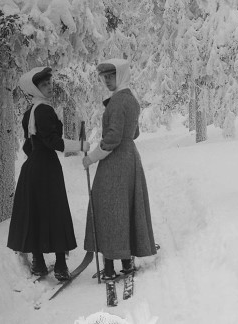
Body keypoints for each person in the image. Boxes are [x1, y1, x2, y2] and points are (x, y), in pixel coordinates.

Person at [7, 66, 89, 281]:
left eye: (49, 83)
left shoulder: (30, 111)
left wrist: (35, 157)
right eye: (44, 84)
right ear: (35, 89)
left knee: (37, 211)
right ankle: (60, 265)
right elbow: (54, 143)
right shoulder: (44, 110)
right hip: (47, 168)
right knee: (55, 211)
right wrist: (80, 145)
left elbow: (29, 143)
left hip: (33, 167)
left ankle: (38, 262)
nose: (49, 87)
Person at [82, 58, 157, 280]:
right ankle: (126, 263)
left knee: (109, 209)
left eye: (111, 76)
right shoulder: (131, 100)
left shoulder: (117, 102)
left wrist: (92, 158)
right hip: (130, 158)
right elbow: (134, 133)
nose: (107, 80)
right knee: (123, 208)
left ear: (121, 75)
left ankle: (109, 268)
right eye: (104, 77)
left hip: (115, 162)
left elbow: (113, 138)